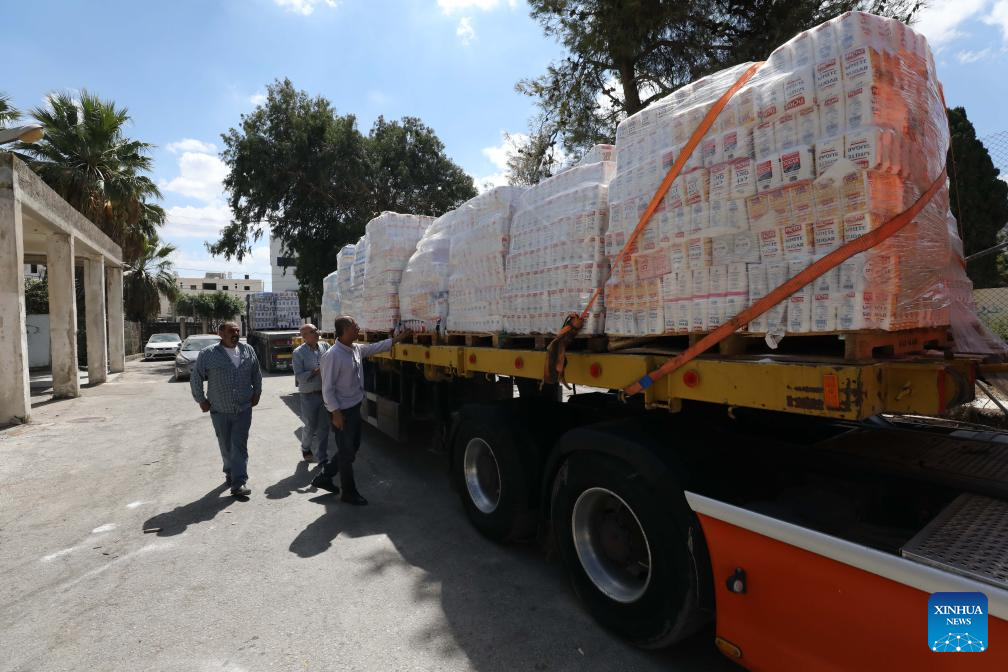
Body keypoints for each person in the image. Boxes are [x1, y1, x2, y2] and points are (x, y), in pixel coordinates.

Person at [313, 316, 411, 504]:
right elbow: (327, 389)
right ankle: (348, 492)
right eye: (354, 325)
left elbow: (376, 347)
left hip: (354, 407)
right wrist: (335, 413)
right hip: (341, 411)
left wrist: (397, 339)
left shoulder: (355, 348)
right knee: (347, 452)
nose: (358, 327)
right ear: (344, 329)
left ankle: (325, 476)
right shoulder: (332, 356)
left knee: (351, 448)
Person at [190, 321, 262, 498]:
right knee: (225, 445)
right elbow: (196, 377)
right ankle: (230, 471)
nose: (235, 333)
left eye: (237, 331)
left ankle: (239, 482)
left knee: (239, 445)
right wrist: (201, 400)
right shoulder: (209, 354)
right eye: (231, 331)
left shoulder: (248, 350)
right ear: (221, 333)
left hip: (243, 408)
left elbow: (256, 373)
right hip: (220, 409)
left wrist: (257, 392)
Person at [292, 323, 331, 465]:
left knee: (324, 427)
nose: (317, 332)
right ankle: (306, 448)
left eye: (316, 330)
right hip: (309, 395)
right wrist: (316, 371)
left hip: (325, 394)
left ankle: (323, 457)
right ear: (304, 336)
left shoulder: (325, 346)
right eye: (313, 331)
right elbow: (299, 377)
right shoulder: (298, 353)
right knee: (310, 426)